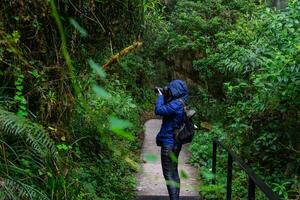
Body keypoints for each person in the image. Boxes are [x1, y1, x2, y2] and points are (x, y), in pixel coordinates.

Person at [154, 80, 189, 200]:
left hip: (169, 144)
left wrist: (160, 96)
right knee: (174, 172)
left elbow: (158, 110)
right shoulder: (181, 102)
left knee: (169, 175)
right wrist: (165, 95)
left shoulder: (176, 105)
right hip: (176, 144)